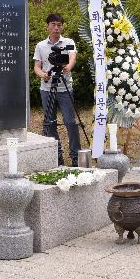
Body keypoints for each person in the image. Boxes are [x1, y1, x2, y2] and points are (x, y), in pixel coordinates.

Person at [33, 13, 80, 166]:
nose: (56, 28)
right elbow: (37, 66)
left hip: (65, 88)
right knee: (50, 123)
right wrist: (43, 75)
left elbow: (73, 56)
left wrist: (68, 66)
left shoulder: (68, 42)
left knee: (70, 122)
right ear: (48, 26)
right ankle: (56, 155)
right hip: (47, 88)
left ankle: (76, 156)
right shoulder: (41, 45)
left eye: (59, 25)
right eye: (53, 24)